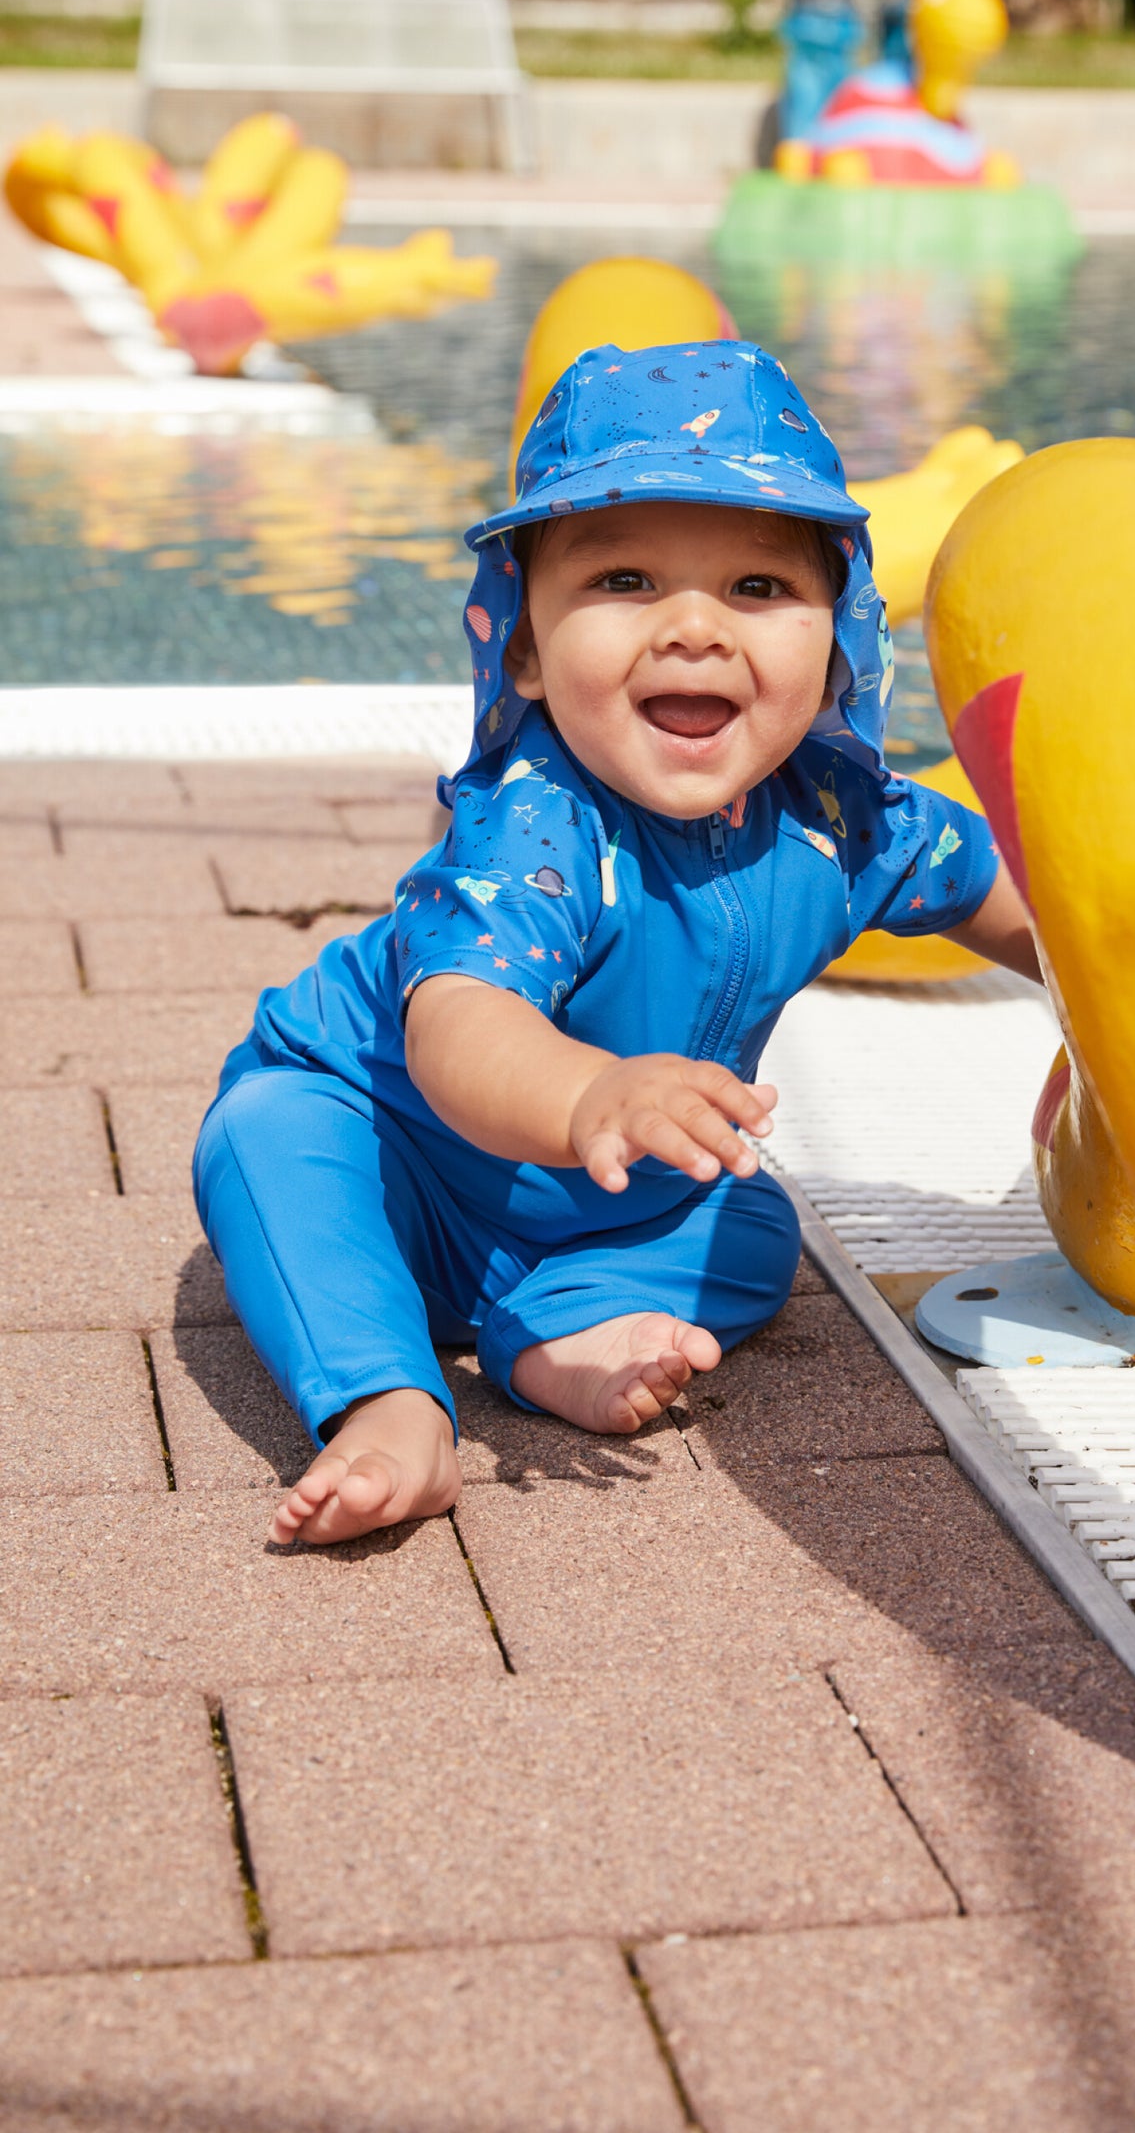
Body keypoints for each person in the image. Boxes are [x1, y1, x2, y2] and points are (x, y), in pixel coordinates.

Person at [193, 340, 1041, 1547]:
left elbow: (1005, 898)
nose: (693, 627)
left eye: (757, 586)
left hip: (611, 1200)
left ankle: (558, 1330)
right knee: (265, 1139)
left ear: (837, 641)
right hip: (397, 1157)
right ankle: (389, 1405)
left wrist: (1117, 983)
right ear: (525, 647)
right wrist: (590, 1092)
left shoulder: (842, 819)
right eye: (626, 580)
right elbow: (458, 1026)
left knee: (754, 1228)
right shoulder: (534, 824)